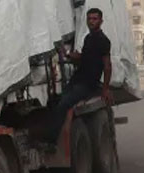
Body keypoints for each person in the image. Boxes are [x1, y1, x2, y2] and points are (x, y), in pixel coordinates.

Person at [44, 8, 113, 142]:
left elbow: (107, 66)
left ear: (101, 21)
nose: (91, 22)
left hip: (88, 84)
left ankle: (51, 141)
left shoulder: (103, 41)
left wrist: (105, 88)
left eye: (94, 19)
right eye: (89, 19)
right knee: (55, 101)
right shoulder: (88, 38)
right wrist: (68, 54)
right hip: (78, 79)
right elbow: (83, 57)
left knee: (64, 104)